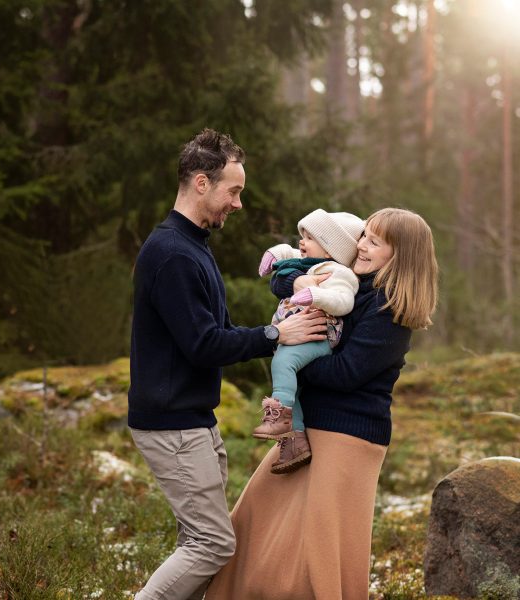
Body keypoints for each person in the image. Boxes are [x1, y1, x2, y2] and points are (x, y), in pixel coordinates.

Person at [127, 128, 328, 600]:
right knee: (212, 544)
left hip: (192, 418)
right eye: (233, 190)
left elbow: (217, 333)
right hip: (172, 424)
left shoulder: (192, 245)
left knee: (198, 543)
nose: (238, 203)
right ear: (202, 183)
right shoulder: (173, 254)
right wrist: (278, 334)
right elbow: (203, 345)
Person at [205, 207, 439, 600]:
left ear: (399, 256)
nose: (361, 245)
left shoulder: (390, 313)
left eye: (374, 242)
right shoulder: (354, 288)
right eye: (363, 235)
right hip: (310, 427)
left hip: (348, 436)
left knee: (320, 547)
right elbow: (297, 279)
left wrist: (290, 350)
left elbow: (346, 373)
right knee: (255, 520)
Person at [252, 209, 364, 475]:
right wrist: (273, 256)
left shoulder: (337, 272)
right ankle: (295, 444)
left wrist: (313, 295)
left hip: (318, 336)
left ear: (329, 249)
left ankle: (279, 417)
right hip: (299, 336)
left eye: (309, 237)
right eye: (302, 235)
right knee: (296, 389)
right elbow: (286, 251)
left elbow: (343, 300)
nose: (301, 242)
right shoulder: (308, 261)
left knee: (283, 363)